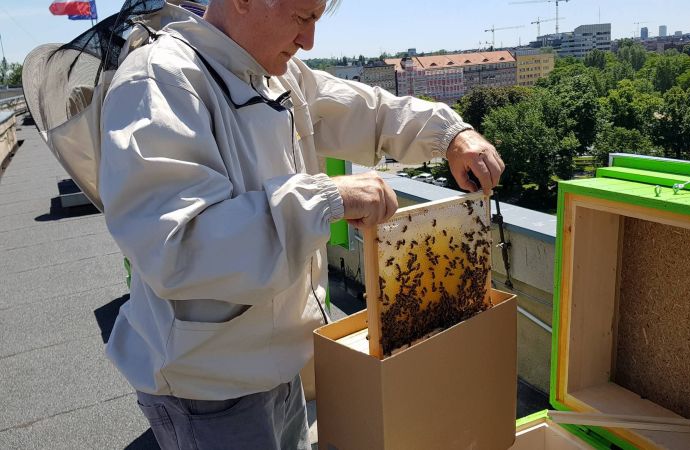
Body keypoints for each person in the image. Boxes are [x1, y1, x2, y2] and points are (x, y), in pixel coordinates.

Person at [99, 0, 505, 449]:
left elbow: (366, 109)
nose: (310, 40)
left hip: (282, 362)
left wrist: (450, 134)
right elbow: (179, 247)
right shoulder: (158, 81)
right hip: (207, 389)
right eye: (302, 17)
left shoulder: (276, 73)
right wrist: (328, 198)